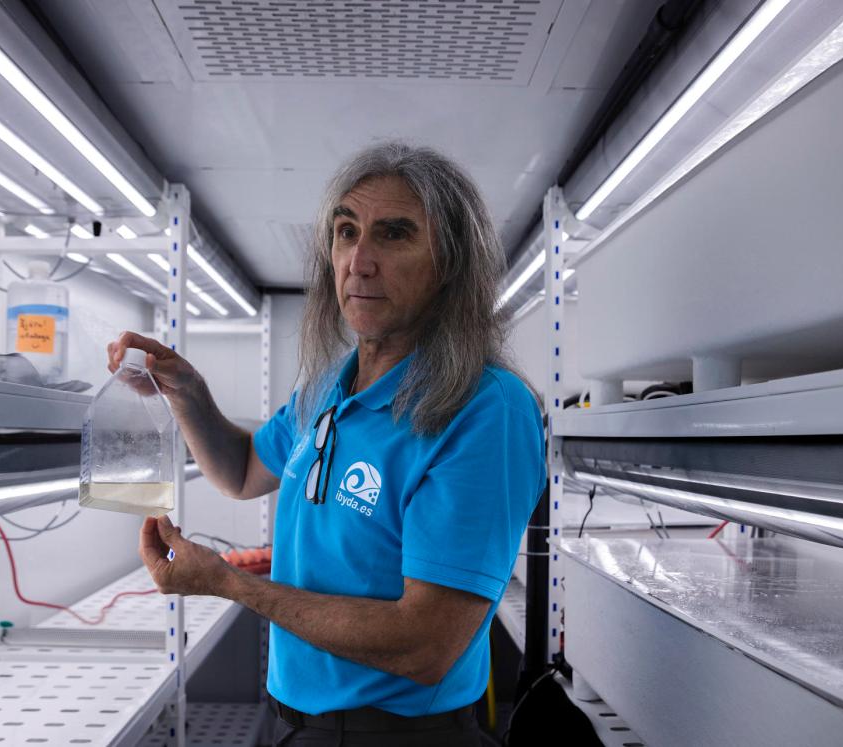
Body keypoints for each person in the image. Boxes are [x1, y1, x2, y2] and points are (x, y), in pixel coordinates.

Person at [108, 141, 545, 746]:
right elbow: (239, 470)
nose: (359, 261)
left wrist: (229, 584)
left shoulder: (484, 408)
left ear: (449, 265)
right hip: (299, 722)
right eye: (346, 232)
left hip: (398, 737)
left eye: (394, 235)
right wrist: (185, 390)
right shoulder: (327, 389)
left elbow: (425, 646)